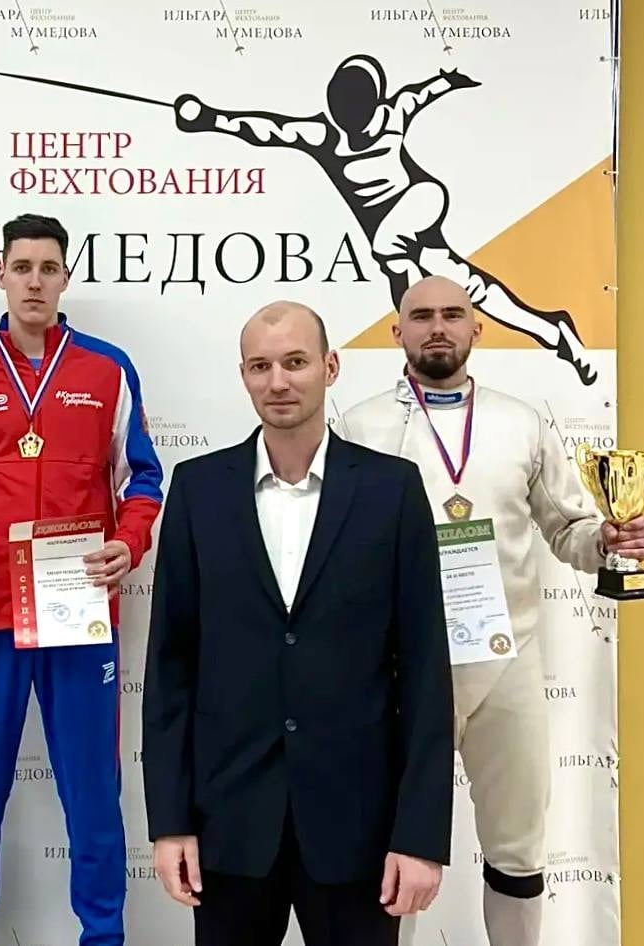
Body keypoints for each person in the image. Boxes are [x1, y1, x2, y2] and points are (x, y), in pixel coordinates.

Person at [340, 274, 644, 946]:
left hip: (505, 666)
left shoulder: (522, 421)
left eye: (453, 314)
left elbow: (570, 530)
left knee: (517, 851)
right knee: (393, 853)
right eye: (421, 316)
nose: (438, 328)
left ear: (477, 328)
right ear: (396, 332)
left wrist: (607, 539)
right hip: (395, 672)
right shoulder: (359, 425)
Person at [142, 301, 453, 946]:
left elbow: (426, 670)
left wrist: (421, 836)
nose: (278, 381)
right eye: (260, 366)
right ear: (243, 376)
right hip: (228, 826)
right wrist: (169, 822)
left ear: (330, 367)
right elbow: (171, 665)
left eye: (295, 362)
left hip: (358, 832)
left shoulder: (392, 490)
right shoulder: (198, 489)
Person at [0, 213, 164, 946]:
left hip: (77, 613)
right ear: (2, 275)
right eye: (22, 267)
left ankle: (103, 939)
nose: (35, 282)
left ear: (65, 278)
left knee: (94, 797)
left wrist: (129, 542)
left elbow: (141, 479)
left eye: (48, 268)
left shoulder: (107, 369)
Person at [166, 54, 596, 385]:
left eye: (360, 113)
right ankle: (554, 329)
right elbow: (266, 130)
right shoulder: (324, 135)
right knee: (467, 286)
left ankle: (424, 348)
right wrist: (209, 119)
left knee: (388, 246)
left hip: (421, 200)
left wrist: (450, 79)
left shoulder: (394, 113)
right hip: (400, 234)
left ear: (374, 104)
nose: (355, 126)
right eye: (345, 113)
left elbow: (423, 92)